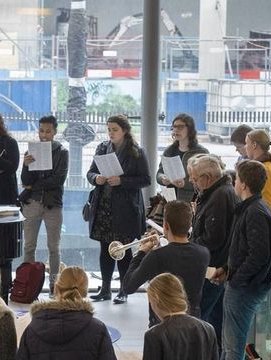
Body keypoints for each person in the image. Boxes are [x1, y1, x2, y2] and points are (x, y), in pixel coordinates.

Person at [209, 160, 271, 360]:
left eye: (236, 179)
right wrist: (228, 270)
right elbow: (243, 251)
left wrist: (236, 279)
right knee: (229, 346)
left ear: (244, 184)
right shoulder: (249, 209)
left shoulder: (255, 212)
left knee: (233, 347)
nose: (233, 183)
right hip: (240, 284)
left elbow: (258, 255)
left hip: (245, 288)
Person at [87, 114, 152, 304]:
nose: (111, 133)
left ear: (124, 131)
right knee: (105, 248)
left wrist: (121, 181)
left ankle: (124, 289)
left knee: (123, 249)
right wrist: (96, 178)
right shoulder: (102, 148)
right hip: (104, 206)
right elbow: (90, 172)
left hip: (125, 209)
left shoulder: (135, 152)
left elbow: (145, 179)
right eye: (109, 129)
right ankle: (105, 288)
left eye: (114, 129)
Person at [121, 201, 210, 325]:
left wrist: (141, 253)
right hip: (193, 323)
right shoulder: (203, 253)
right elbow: (179, 256)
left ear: (166, 226)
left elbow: (128, 286)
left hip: (162, 324)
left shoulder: (156, 257)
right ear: (190, 224)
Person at [189, 154, 238, 346]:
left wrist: (190, 244)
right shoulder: (218, 193)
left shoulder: (219, 196)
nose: (193, 183)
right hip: (215, 265)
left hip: (213, 268)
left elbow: (214, 238)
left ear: (207, 178)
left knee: (203, 317)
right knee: (215, 319)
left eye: (195, 179)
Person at [19, 115, 68, 287]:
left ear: (55, 132)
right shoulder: (31, 151)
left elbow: (58, 180)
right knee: (29, 246)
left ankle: (54, 286)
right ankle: (27, 284)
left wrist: (34, 186)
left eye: (48, 131)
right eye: (41, 130)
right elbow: (25, 181)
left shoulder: (62, 152)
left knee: (54, 247)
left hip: (52, 205)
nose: (44, 135)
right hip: (32, 203)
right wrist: (25, 164)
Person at [156, 113, 208, 203]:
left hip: (192, 200)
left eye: (180, 127)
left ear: (190, 129)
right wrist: (163, 179)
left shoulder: (201, 152)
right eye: (174, 127)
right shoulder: (169, 150)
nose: (176, 130)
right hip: (170, 199)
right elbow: (160, 172)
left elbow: (206, 180)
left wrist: (185, 184)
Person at [244, 129, 271, 220]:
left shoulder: (267, 169)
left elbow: (268, 203)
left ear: (254, 145)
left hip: (266, 224)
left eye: (246, 143)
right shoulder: (262, 167)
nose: (245, 147)